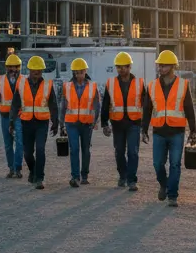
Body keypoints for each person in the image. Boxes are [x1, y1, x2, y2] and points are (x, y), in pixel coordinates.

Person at [141, 50, 196, 207]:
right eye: (159, 65)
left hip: (177, 132)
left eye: (164, 65)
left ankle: (172, 195)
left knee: (175, 164)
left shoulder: (183, 85)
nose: (160, 68)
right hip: (159, 131)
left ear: (173, 67)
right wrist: (144, 130)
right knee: (157, 164)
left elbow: (189, 109)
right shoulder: (152, 86)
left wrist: (193, 131)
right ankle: (164, 185)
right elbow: (147, 109)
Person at [9, 55, 59, 190]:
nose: (36, 72)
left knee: (40, 150)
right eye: (34, 70)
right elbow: (15, 105)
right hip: (26, 122)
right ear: (30, 70)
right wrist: (12, 121)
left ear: (42, 70)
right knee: (27, 153)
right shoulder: (21, 84)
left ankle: (39, 178)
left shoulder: (48, 85)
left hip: (42, 123)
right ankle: (33, 171)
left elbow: (53, 105)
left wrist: (55, 122)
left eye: (39, 70)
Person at [101, 51, 145, 191]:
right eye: (119, 67)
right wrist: (104, 123)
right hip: (117, 123)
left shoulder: (139, 83)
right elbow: (105, 104)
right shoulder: (111, 83)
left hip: (134, 123)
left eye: (124, 66)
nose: (121, 69)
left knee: (133, 152)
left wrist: (145, 125)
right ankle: (123, 176)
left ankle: (132, 180)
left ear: (130, 66)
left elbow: (146, 105)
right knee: (119, 151)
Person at [59, 58, 99, 187]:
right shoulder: (67, 86)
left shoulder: (93, 86)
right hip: (71, 123)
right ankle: (75, 177)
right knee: (74, 149)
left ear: (85, 71)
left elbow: (97, 105)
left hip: (87, 123)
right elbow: (63, 106)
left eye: (81, 72)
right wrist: (61, 124)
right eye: (76, 73)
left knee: (86, 150)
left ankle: (84, 175)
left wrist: (95, 121)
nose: (78, 75)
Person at [0, 54, 25, 178]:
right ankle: (11, 168)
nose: (13, 69)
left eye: (15, 67)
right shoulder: (0, 80)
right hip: (5, 116)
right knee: (8, 144)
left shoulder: (24, 80)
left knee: (20, 142)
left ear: (19, 67)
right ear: (6, 68)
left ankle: (18, 168)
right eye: (10, 67)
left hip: (19, 116)